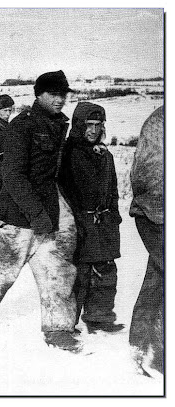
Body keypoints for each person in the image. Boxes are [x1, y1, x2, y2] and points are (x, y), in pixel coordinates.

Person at [0, 70, 81, 352]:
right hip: (18, 213)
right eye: (53, 94)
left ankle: (59, 328)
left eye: (63, 95)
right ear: (39, 95)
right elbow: (13, 175)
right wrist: (36, 214)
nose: (60, 100)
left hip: (48, 210)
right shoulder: (23, 125)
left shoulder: (58, 124)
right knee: (3, 272)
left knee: (58, 271)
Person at [59, 102, 124, 333]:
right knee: (78, 274)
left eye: (98, 125)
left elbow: (113, 189)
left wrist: (114, 215)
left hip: (104, 224)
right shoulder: (66, 155)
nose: (93, 131)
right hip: (79, 223)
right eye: (88, 125)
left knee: (106, 271)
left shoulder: (105, 155)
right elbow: (61, 191)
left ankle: (100, 317)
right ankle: (67, 323)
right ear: (78, 126)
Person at [128, 106, 164, 376]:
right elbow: (146, 175)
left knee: (157, 278)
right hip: (155, 214)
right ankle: (160, 353)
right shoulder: (160, 121)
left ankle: (140, 345)